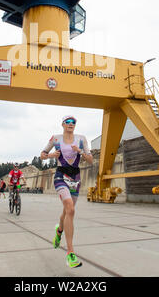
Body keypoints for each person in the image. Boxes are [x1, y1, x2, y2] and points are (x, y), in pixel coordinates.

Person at [40, 115, 93, 268]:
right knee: (70, 208)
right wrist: (51, 155)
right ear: (62, 124)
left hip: (75, 177)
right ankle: (70, 253)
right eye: (68, 122)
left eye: (73, 122)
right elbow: (42, 155)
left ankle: (59, 231)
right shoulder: (56, 139)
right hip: (60, 176)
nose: (71, 124)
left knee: (68, 211)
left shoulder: (81, 139)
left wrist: (81, 151)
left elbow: (90, 160)